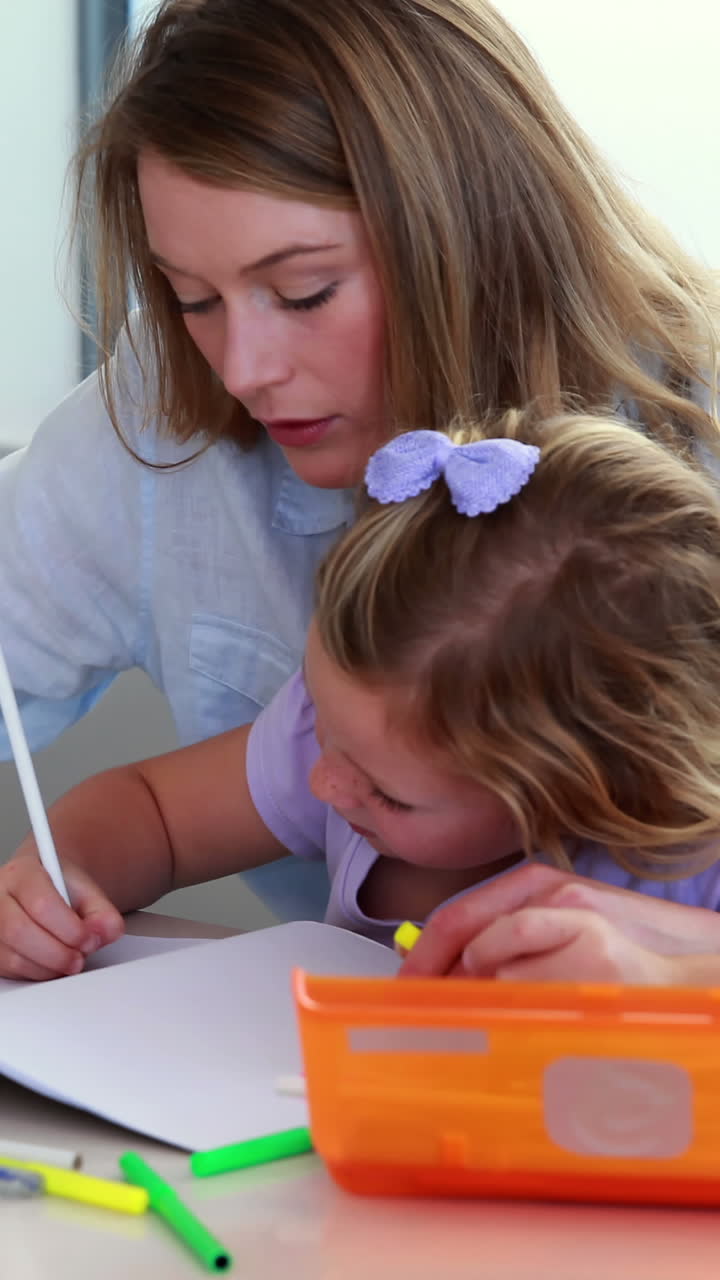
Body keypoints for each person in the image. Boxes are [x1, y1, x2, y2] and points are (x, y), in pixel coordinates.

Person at [1, 0, 718, 925]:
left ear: (464, 238)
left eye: (305, 293)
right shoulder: (166, 391)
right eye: (192, 298)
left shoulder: (683, 461)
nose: (241, 372)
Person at [4, 410, 720, 985]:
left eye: (390, 795)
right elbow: (152, 811)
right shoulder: (347, 739)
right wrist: (61, 874)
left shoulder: (688, 859)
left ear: (587, 794)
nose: (323, 779)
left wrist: (674, 977)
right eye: (320, 721)